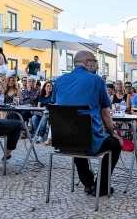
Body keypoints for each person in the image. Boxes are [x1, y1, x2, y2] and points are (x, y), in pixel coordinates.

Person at [52, 50, 123, 196]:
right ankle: (101, 187)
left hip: (62, 141)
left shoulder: (59, 80)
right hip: (87, 141)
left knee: (77, 135)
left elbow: (57, 105)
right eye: (95, 62)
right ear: (86, 62)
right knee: (114, 143)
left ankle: (88, 181)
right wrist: (114, 134)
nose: (96, 66)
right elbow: (105, 113)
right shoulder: (97, 80)